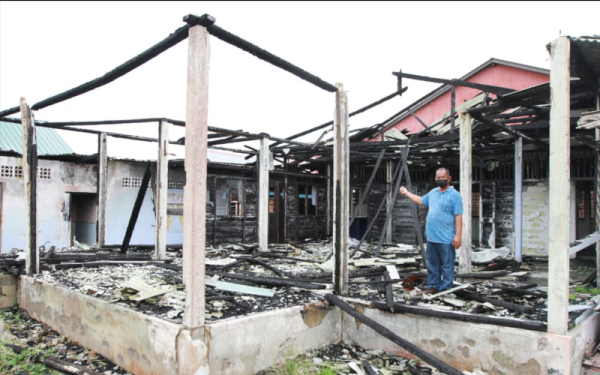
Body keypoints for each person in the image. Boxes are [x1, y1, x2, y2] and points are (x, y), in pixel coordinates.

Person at [399, 168, 463, 295]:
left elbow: (458, 216)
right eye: (438, 178)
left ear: (449, 178)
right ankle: (433, 286)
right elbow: (421, 200)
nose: (440, 180)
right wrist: (406, 193)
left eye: (443, 177)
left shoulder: (455, 195)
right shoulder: (433, 192)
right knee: (432, 264)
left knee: (447, 265)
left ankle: (446, 288)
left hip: (446, 237)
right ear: (435, 179)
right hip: (432, 237)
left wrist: (458, 236)